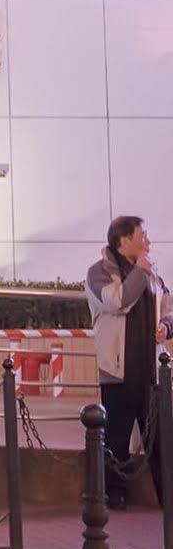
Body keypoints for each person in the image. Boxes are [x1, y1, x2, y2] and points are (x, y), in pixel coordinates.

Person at [87, 215, 172, 510]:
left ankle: (168, 496)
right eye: (142, 236)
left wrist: (166, 325)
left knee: (161, 437)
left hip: (151, 371)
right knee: (116, 436)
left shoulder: (150, 271)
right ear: (124, 241)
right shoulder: (98, 273)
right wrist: (139, 272)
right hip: (117, 369)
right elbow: (117, 301)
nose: (147, 241)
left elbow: (168, 305)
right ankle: (115, 494)